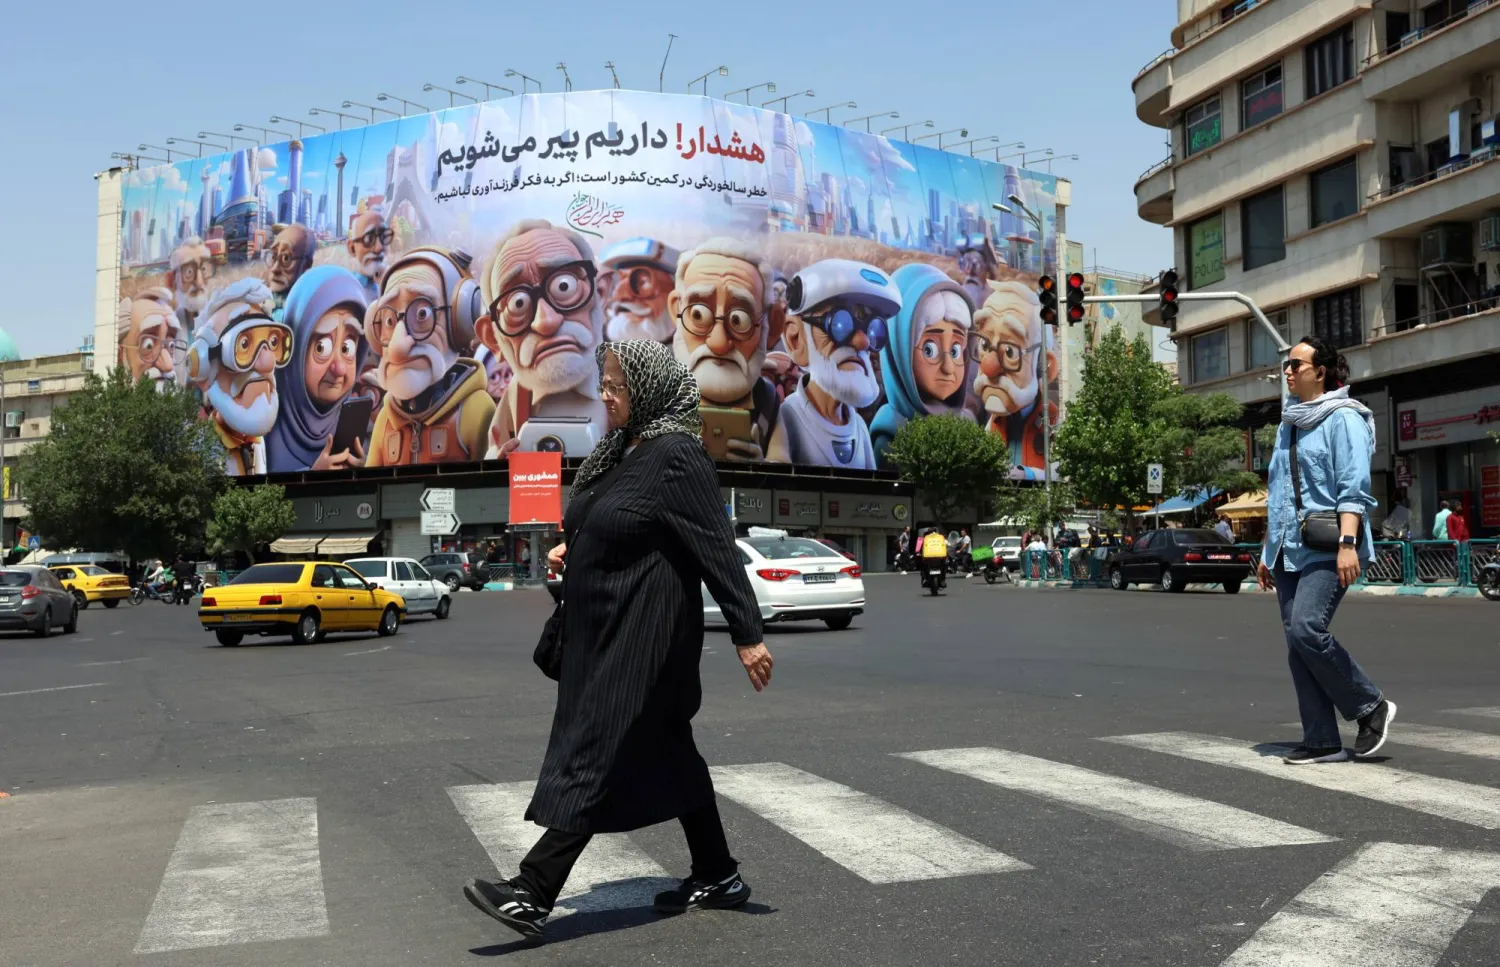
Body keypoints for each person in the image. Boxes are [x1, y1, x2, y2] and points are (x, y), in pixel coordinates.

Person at [463, 340, 772, 940]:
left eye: (616, 386)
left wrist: (748, 635)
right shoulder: (623, 450)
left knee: (601, 745)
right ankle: (718, 874)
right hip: (604, 628)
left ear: (649, 388)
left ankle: (533, 890)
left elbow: (716, 548)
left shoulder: (677, 455)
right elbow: (615, 525)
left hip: (644, 637)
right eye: (605, 383)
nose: (606, 394)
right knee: (672, 755)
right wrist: (576, 548)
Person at [1257, 335, 1394, 765]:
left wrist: (1348, 543)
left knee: (1306, 629)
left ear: (1321, 372)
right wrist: (1267, 552)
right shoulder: (1289, 423)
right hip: (1288, 550)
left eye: (1297, 364)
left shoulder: (1344, 418)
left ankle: (1370, 705)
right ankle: (1321, 740)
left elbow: (1353, 488)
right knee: (1298, 644)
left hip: (1329, 546)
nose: (1289, 371)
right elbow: (1279, 491)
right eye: (1287, 365)